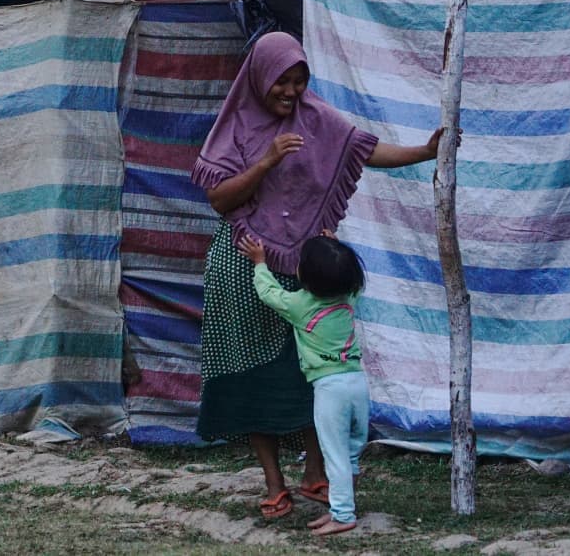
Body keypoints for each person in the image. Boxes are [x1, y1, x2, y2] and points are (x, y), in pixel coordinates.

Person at [191, 31, 445, 521]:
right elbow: (221, 201)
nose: (290, 91)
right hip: (245, 261)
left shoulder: (315, 117)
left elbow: (363, 151)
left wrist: (424, 152)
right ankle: (273, 483)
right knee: (248, 372)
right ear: (259, 77)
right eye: (281, 82)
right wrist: (266, 161)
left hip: (303, 267)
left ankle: (315, 474)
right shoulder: (236, 126)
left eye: (299, 81)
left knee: (312, 371)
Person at [240, 230, 368, 536]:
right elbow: (345, 274)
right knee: (349, 452)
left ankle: (343, 514)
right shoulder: (350, 296)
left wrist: (260, 263)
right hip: (358, 384)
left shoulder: (300, 305)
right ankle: (343, 507)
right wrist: (334, 245)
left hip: (329, 389)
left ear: (306, 279)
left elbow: (269, 293)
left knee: (334, 454)